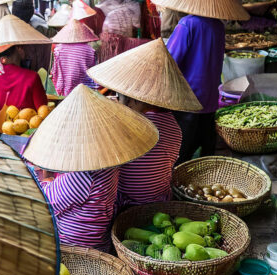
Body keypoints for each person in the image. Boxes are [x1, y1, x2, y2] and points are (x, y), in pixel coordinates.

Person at [21, 85, 158, 252]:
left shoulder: (84, 177)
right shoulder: (110, 164)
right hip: (99, 239)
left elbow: (48, 201)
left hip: (73, 245)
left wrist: (46, 179)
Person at [86, 38, 202, 210]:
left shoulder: (130, 125)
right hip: (160, 199)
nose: (119, 100)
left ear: (135, 100)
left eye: (121, 97)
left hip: (128, 204)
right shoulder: (173, 125)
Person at [151, 0, 249, 164]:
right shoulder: (218, 26)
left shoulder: (187, 24)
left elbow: (171, 61)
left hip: (188, 98)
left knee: (181, 152)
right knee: (206, 148)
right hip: (210, 97)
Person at [0, 15, 50, 131]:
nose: (23, 50)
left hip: (3, 134)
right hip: (30, 135)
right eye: (20, 47)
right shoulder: (32, 77)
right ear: (18, 49)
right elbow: (43, 114)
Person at [50, 19, 98, 96]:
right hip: (86, 90)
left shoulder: (58, 49)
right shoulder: (90, 50)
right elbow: (93, 71)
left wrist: (57, 85)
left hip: (65, 89)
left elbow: (55, 72)